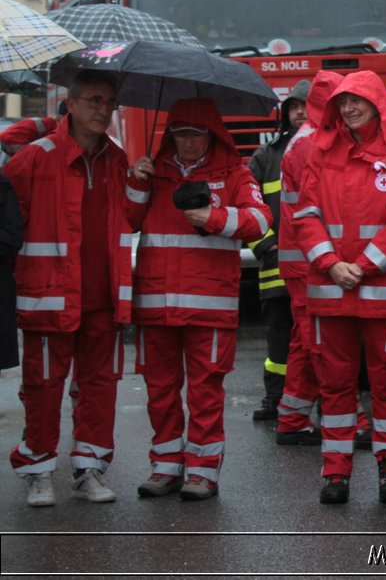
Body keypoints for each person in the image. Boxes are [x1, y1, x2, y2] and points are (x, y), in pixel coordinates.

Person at [293, 71, 386, 505]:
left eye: (356, 102)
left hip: (383, 294)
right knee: (335, 386)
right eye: (341, 103)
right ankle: (336, 473)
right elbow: (305, 217)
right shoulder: (321, 151)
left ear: (378, 103)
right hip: (333, 289)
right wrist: (331, 264)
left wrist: (364, 265)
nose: (348, 110)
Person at [127, 98, 269, 501]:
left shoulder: (235, 173)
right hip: (156, 303)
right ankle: (166, 466)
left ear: (213, 135)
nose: (187, 142)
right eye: (180, 133)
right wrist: (136, 182)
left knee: (205, 391)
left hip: (209, 305)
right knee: (160, 389)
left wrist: (216, 218)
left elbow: (260, 220)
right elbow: (128, 218)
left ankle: (203, 471)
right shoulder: (154, 172)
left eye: (196, 134)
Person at [4, 73, 131, 507]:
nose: (103, 110)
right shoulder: (33, 159)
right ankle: (38, 470)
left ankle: (89, 467)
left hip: (103, 298)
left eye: (110, 103)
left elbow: (132, 218)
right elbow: (7, 226)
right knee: (43, 386)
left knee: (100, 385)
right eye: (95, 101)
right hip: (47, 294)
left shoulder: (119, 160)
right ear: (71, 105)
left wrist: (144, 182)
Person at [274, 72, 340, 446]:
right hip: (308, 261)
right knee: (320, 341)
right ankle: (344, 414)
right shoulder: (310, 143)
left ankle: (294, 416)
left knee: (306, 339)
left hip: (304, 259)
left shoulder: (308, 139)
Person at [246, 81, 309, 423]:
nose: (300, 112)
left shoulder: (330, 150)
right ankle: (276, 398)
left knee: (316, 339)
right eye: (294, 106)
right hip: (276, 267)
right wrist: (265, 245)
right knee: (279, 340)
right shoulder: (266, 156)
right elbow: (244, 203)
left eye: (307, 105)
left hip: (317, 268)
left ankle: (317, 402)